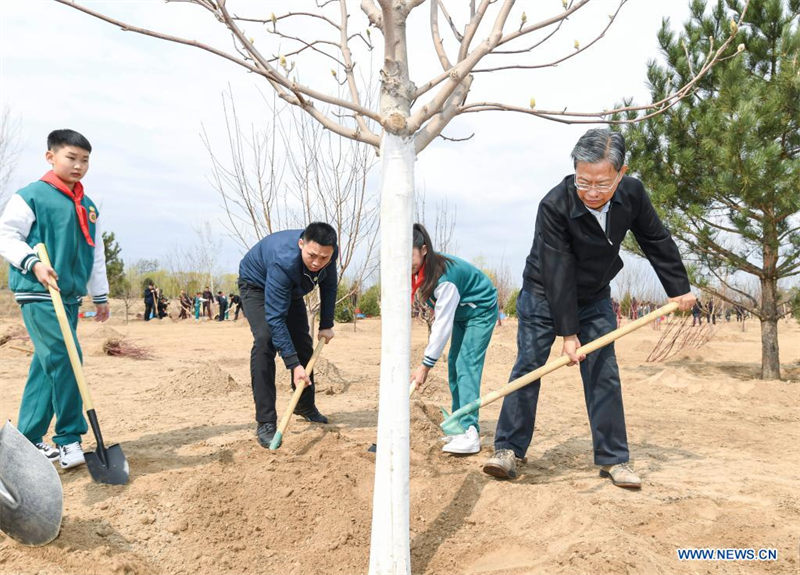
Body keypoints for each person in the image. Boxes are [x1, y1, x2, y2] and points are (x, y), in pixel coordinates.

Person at [482, 129, 696, 488]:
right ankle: (508, 449)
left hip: (595, 295)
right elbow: (559, 270)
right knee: (530, 365)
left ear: (621, 173)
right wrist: (568, 334)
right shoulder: (554, 205)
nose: (592, 193)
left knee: (603, 372)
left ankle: (614, 459)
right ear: (574, 171)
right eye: (584, 182)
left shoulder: (633, 194)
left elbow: (656, 239)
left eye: (602, 184)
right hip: (544, 292)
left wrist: (680, 290)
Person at [0, 129, 110, 470]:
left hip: (71, 296)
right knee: (67, 357)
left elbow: (96, 254)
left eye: (85, 160)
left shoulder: (87, 206)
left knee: (47, 366)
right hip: (39, 292)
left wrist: (100, 294)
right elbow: (6, 234)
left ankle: (25, 440)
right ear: (51, 157)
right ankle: (69, 438)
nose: (78, 166)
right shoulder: (31, 195)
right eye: (71, 158)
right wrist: (33, 263)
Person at [238, 222, 338, 448]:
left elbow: (329, 285)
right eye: (312, 255)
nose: (317, 263)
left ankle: (304, 405)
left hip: (291, 288)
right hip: (257, 285)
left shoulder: (328, 254)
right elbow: (274, 318)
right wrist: (293, 365)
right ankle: (265, 421)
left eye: (324, 258)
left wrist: (327, 323)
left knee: (303, 343)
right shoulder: (283, 260)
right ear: (301, 243)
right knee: (265, 341)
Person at [411, 223, 497, 455]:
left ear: (424, 249)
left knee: (466, 364)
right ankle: (459, 425)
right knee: (454, 364)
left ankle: (470, 432)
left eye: (410, 254)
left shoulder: (444, 278)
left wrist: (425, 365)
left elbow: (442, 324)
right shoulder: (417, 274)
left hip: (480, 309)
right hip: (462, 312)